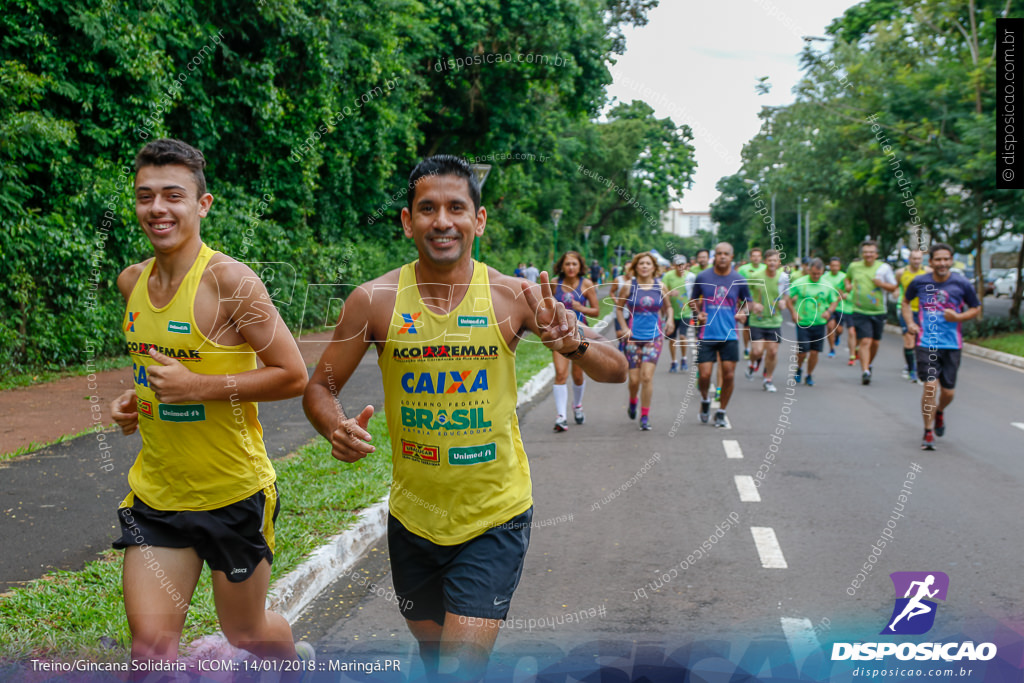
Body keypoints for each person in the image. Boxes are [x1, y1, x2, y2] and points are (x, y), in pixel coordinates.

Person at [302, 155, 627, 680]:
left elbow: (617, 369)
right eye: (427, 209)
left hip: (493, 515)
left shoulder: (511, 295)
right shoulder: (374, 300)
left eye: (457, 207)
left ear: (478, 221)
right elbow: (320, 386)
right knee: (434, 658)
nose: (442, 220)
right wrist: (333, 424)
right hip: (412, 518)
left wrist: (576, 343)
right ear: (408, 222)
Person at [107, 139, 311, 666]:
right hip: (158, 496)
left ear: (203, 204)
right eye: (144, 196)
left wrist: (196, 387)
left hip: (233, 493)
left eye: (173, 195)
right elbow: (159, 368)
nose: (157, 209)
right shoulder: (131, 282)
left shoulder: (231, 282)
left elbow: (292, 375)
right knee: (150, 653)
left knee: (247, 632)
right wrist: (136, 398)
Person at [903, 243, 980, 450]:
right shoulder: (919, 282)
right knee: (930, 387)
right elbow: (905, 301)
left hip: (952, 344)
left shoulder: (961, 283)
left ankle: (939, 412)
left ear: (951, 261)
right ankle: (928, 432)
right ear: (931, 262)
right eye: (938, 259)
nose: (942, 263)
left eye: (946, 259)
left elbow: (976, 308)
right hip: (926, 342)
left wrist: (959, 316)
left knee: (948, 394)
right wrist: (910, 323)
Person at [692, 242, 761, 427]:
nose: (722, 256)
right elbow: (693, 301)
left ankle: (721, 411)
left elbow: (749, 302)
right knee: (705, 375)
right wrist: (698, 313)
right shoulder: (702, 277)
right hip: (706, 334)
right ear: (715, 256)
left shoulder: (739, 279)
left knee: (729, 375)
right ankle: (705, 400)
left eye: (726, 254)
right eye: (719, 253)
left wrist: (743, 313)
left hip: (730, 335)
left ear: (732, 257)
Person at [615, 251, 674, 430]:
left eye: (648, 263)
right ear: (635, 267)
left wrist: (670, 319)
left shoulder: (660, 286)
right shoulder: (628, 286)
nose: (645, 266)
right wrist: (624, 327)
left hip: (654, 338)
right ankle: (633, 401)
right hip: (633, 338)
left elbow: (668, 307)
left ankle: (645, 415)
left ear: (654, 267)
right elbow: (618, 308)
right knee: (634, 381)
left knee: (646, 378)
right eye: (641, 263)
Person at [551, 250, 600, 431]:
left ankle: (577, 405)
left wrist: (581, 308)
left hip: (581, 335)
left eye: (574, 264)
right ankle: (561, 416)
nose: (571, 267)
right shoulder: (554, 284)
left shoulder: (586, 284)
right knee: (560, 374)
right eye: (567, 264)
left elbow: (596, 311)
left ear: (580, 266)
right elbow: (545, 306)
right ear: (562, 266)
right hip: (560, 336)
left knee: (578, 376)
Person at [845, 240, 898, 385]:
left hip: (879, 310)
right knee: (865, 341)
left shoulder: (884, 268)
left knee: (875, 342)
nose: (868, 255)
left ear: (876, 254)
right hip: (860, 310)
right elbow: (847, 278)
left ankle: (869, 364)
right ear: (862, 254)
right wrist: (848, 285)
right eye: (865, 252)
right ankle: (865, 371)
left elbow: (893, 287)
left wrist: (882, 284)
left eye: (871, 252)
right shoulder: (854, 266)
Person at [787, 258, 838, 387]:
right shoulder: (800, 283)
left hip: (819, 322)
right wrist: (793, 312)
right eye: (813, 273)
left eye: (818, 274)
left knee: (815, 352)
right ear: (809, 270)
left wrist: (829, 311)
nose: (816, 276)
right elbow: (787, 298)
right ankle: (798, 368)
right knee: (803, 351)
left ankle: (809, 374)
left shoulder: (827, 285)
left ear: (822, 272)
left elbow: (834, 300)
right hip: (803, 322)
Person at [745, 249, 790, 392]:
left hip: (774, 320)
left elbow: (786, 295)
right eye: (769, 260)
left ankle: (768, 379)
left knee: (772, 352)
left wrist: (784, 302)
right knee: (757, 351)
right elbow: (745, 295)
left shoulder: (783, 278)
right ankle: (752, 363)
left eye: (774, 260)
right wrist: (752, 305)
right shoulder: (756, 276)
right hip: (757, 320)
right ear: (765, 262)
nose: (772, 263)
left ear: (779, 262)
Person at [895, 250, 931, 382]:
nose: (916, 261)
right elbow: (897, 286)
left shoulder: (928, 272)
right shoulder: (901, 273)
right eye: (914, 258)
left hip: (923, 311)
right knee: (909, 338)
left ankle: (916, 363)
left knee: (920, 340)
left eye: (919, 259)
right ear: (909, 259)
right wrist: (896, 292)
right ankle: (912, 369)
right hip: (906, 309)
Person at [662, 254, 692, 373]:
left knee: (683, 336)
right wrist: (669, 293)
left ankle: (684, 359)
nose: (680, 267)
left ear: (686, 265)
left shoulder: (690, 277)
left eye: (682, 265)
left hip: (685, 312)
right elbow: (662, 290)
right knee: (672, 339)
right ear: (674, 265)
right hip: (671, 314)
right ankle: (674, 361)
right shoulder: (668, 276)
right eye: (678, 265)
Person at [820, 256, 853, 362]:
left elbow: (849, 290)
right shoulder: (824, 277)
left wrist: (844, 295)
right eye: (833, 265)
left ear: (839, 266)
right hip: (828, 306)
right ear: (830, 266)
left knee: (839, 329)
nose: (835, 267)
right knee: (830, 326)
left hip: (841, 306)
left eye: (837, 265)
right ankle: (832, 348)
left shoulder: (844, 277)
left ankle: (837, 336)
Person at [737, 248, 766, 359]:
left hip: (762, 303)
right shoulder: (743, 269)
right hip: (747, 302)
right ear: (750, 257)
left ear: (761, 257)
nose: (756, 258)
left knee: (760, 326)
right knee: (747, 327)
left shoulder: (765, 268)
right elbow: (738, 284)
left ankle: (757, 348)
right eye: (754, 256)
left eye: (758, 256)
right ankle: (746, 348)